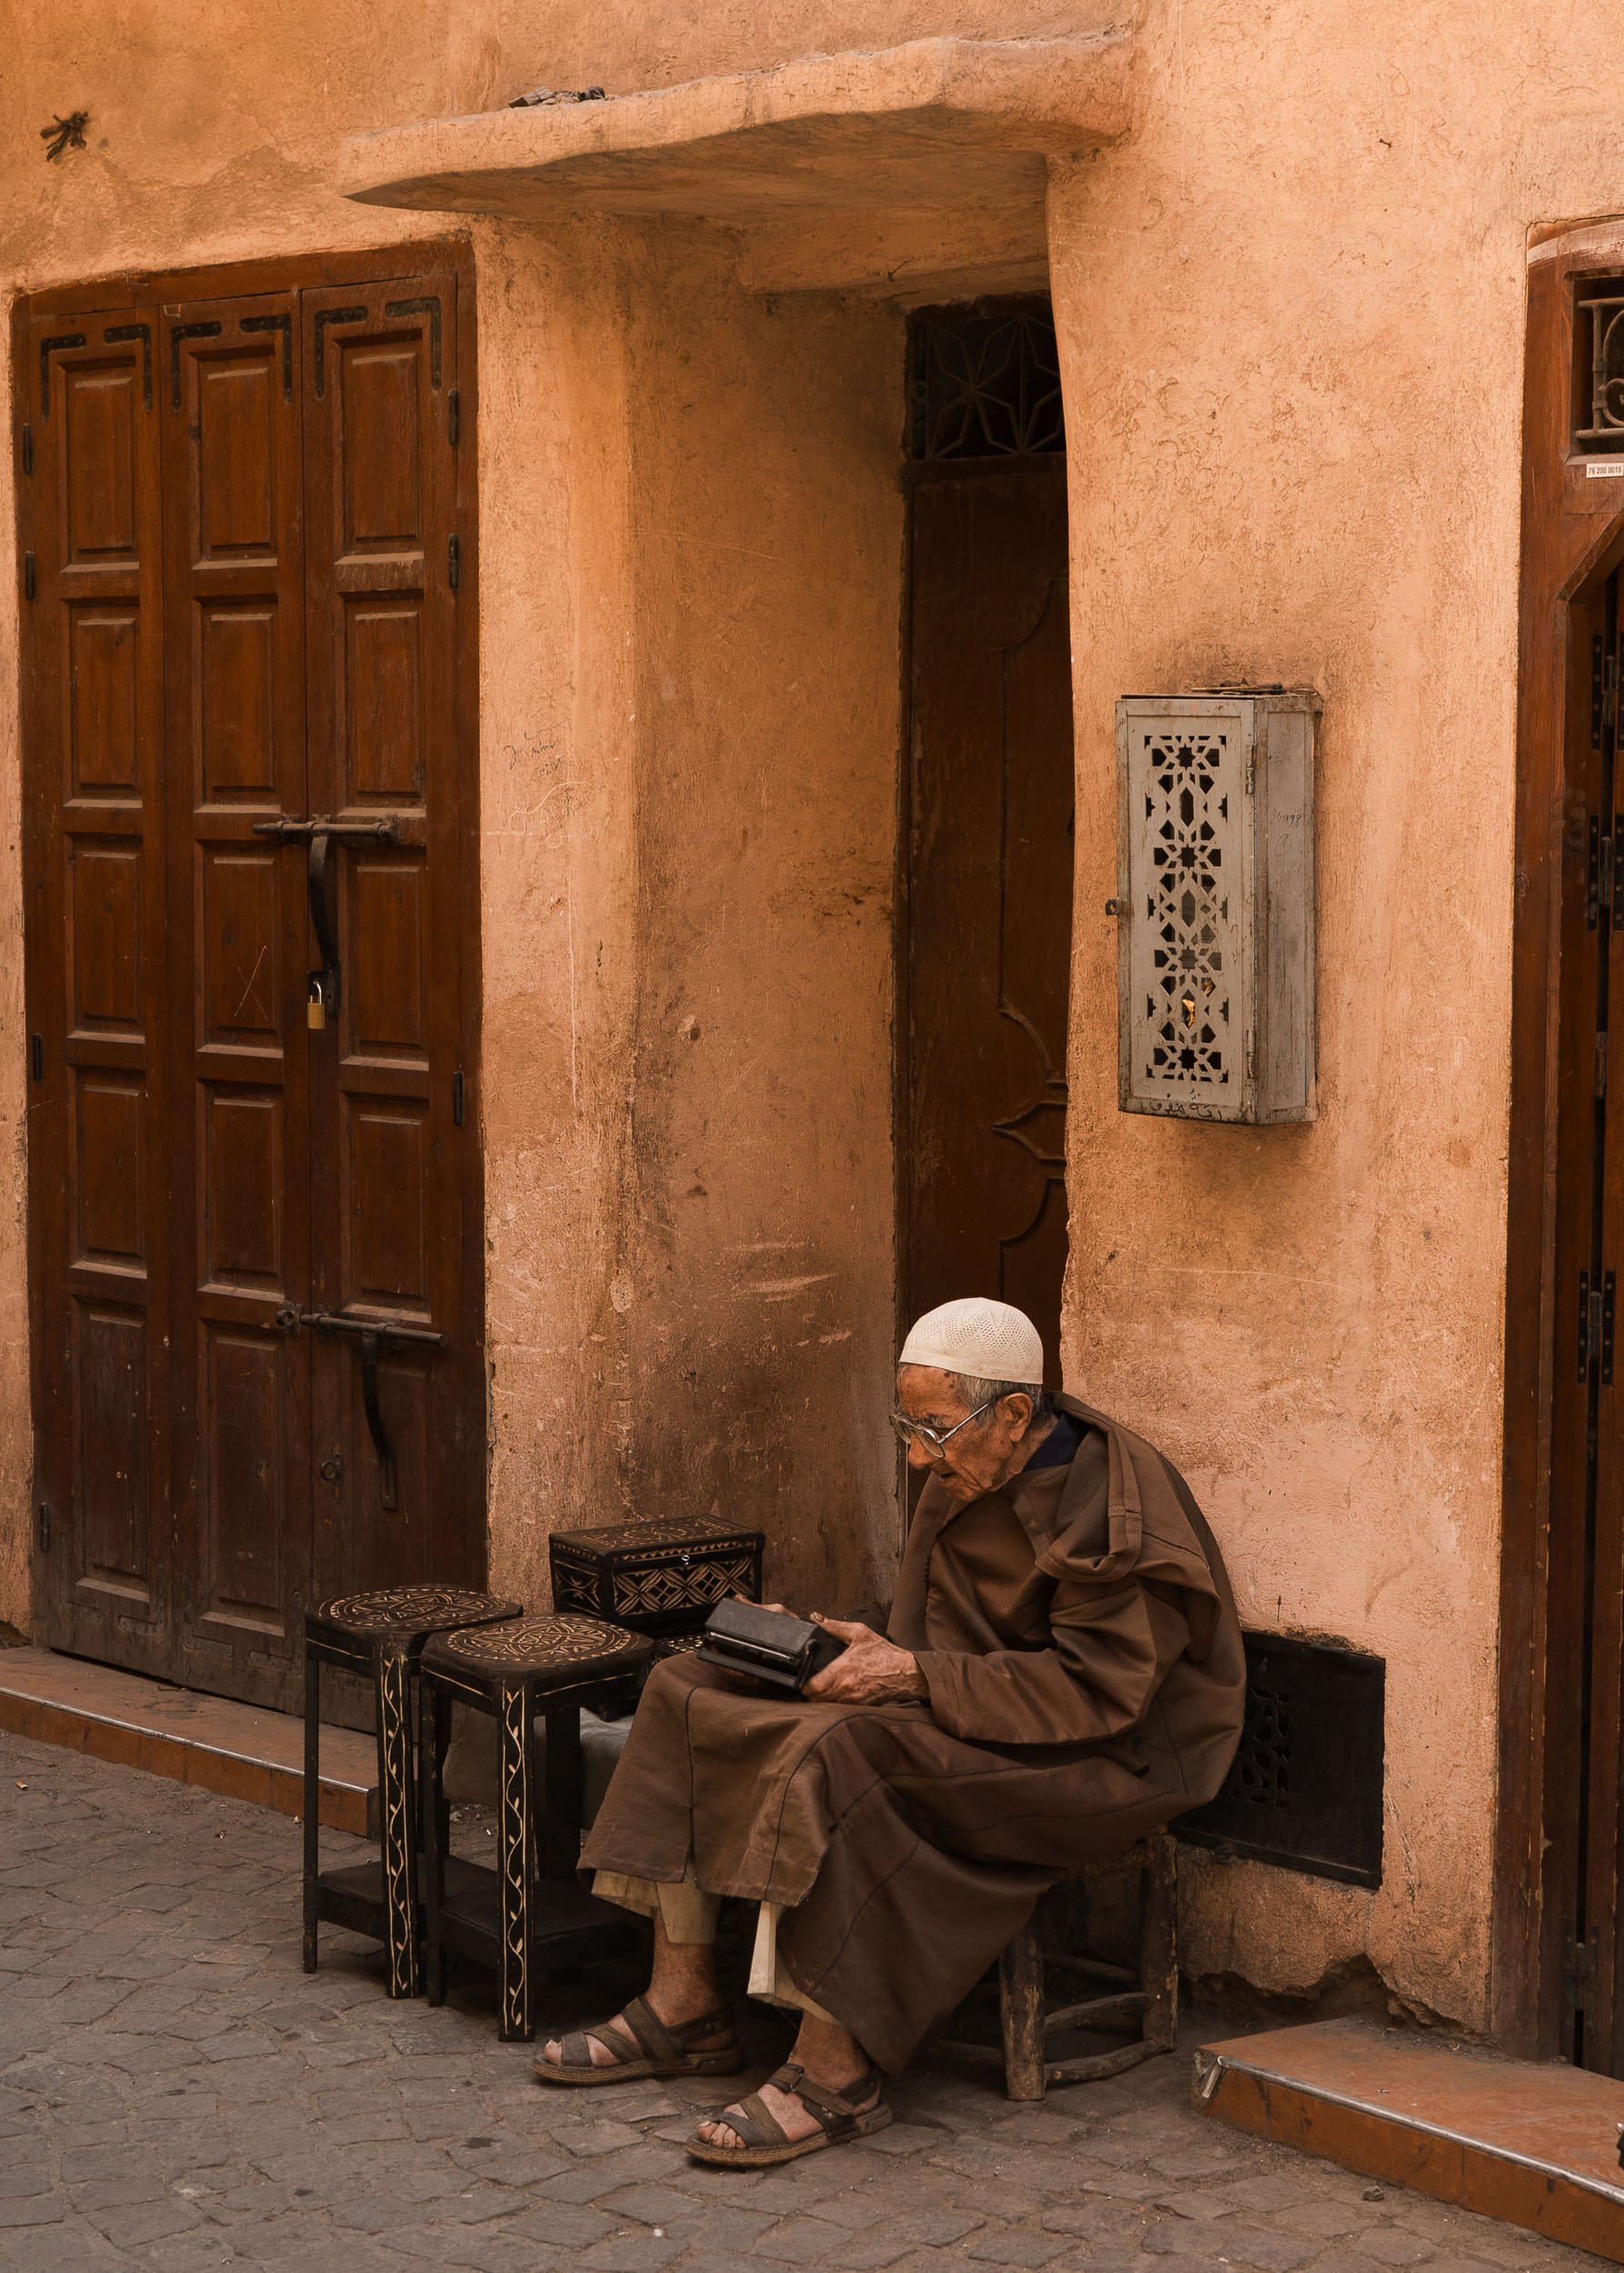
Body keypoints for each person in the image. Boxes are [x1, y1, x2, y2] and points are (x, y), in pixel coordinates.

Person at [536, 1297, 1246, 2169]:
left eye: (934, 1430)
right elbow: (931, 1626)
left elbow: (1097, 1694)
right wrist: (810, 1643)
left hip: (1099, 1759)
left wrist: (909, 1675)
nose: (916, 1457)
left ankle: (837, 2070)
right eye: (906, 1428)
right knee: (691, 1682)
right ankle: (684, 2007)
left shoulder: (1116, 1509)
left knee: (847, 1756)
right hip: (966, 1703)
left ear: (1015, 1413)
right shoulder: (969, 1467)